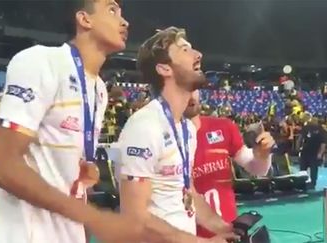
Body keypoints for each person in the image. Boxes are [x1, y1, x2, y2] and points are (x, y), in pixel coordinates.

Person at [0, 1, 144, 243]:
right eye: (112, 10)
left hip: (69, 232)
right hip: (25, 233)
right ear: (84, 19)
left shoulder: (99, 89)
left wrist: (80, 171)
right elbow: (2, 166)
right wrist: (96, 218)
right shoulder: (40, 61)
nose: (125, 21)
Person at [118, 27, 238, 243]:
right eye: (185, 50)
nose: (198, 55)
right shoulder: (144, 126)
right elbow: (135, 216)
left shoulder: (187, 130)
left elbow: (187, 190)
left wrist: (225, 228)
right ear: (165, 68)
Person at [184, 90, 275, 238]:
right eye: (184, 88)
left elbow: (257, 169)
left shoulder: (223, 127)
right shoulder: (162, 138)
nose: (191, 95)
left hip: (229, 232)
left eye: (194, 88)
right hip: (187, 235)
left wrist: (263, 155)